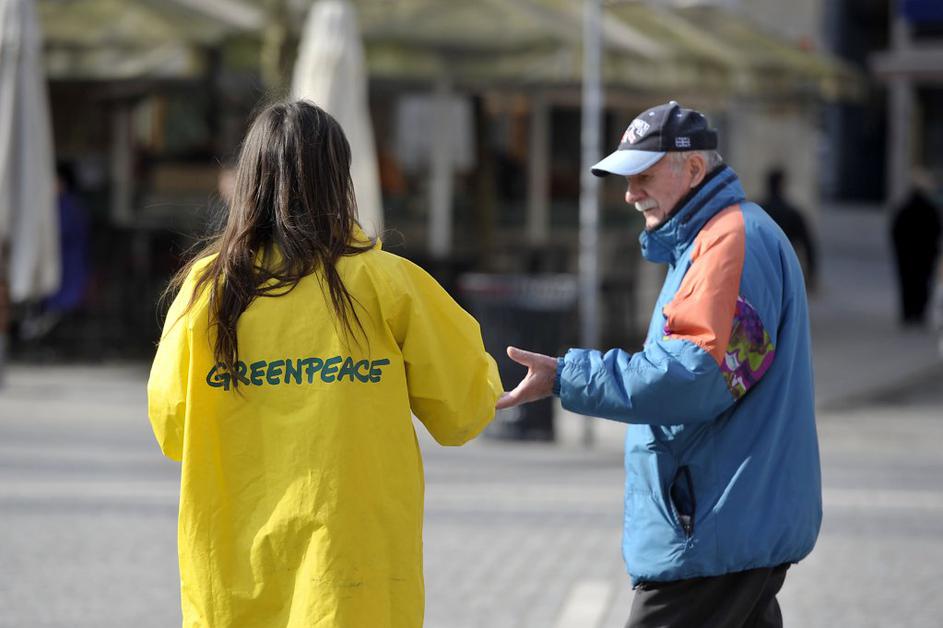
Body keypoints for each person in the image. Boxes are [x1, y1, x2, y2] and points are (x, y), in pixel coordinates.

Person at [147, 101, 502, 628]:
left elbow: (172, 429)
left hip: (232, 573)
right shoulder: (389, 283)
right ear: (341, 180)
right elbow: (465, 411)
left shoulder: (206, 293)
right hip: (353, 576)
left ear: (247, 181)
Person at [497, 102, 821, 628]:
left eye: (642, 175)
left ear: (692, 169)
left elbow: (696, 375)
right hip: (726, 525)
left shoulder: (729, 241)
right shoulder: (711, 240)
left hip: (712, 530)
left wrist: (567, 376)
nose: (629, 194)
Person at [891, 174, 941, 326]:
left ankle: (909, 314)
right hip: (924, 256)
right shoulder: (931, 210)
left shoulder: (905, 208)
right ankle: (918, 313)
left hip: (907, 256)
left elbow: (895, 231)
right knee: (922, 285)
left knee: (908, 286)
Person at [762, 168, 817, 293]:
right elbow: (808, 246)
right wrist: (811, 275)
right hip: (785, 269)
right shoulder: (793, 213)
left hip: (761, 268)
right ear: (782, 185)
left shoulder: (757, 211)